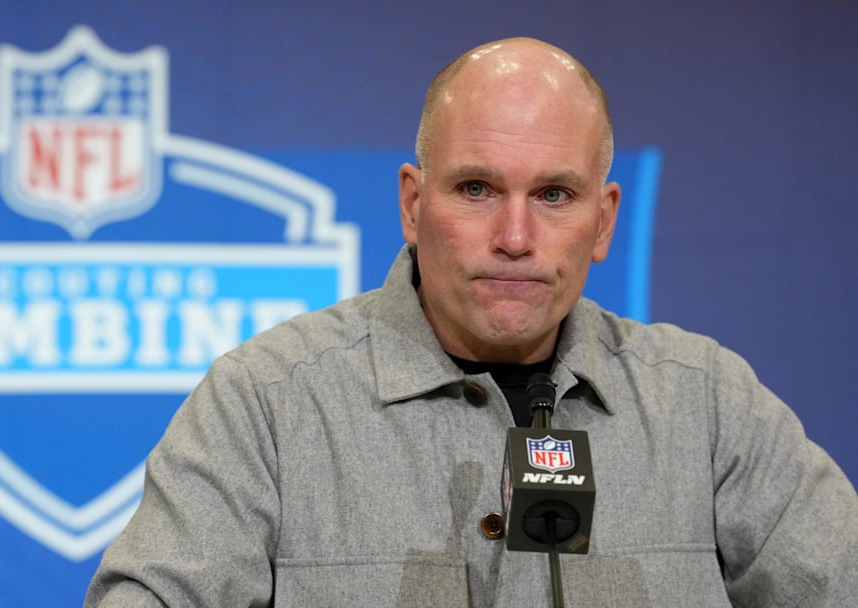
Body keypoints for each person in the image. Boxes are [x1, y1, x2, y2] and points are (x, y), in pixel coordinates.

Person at [85, 38, 858, 607]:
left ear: (603, 218)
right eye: (478, 188)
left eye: (554, 195)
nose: (516, 237)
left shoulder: (709, 405)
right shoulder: (267, 404)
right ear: (414, 205)